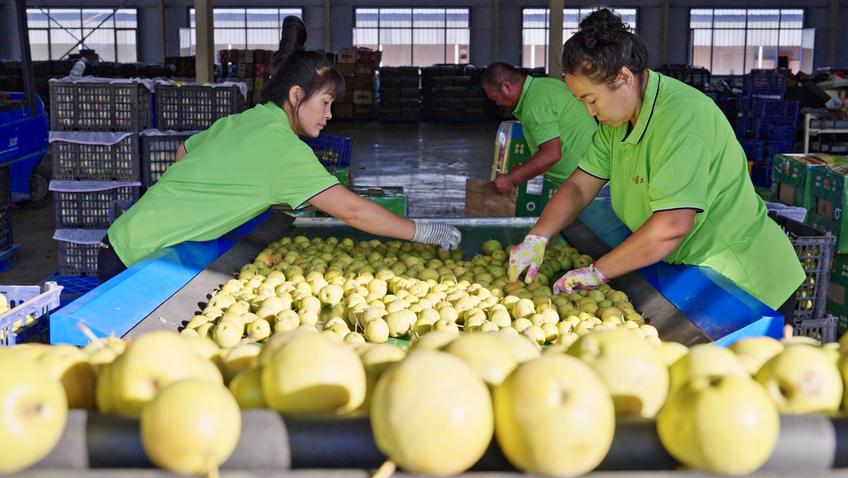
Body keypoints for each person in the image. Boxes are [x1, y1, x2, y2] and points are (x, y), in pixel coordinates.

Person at [99, 17, 460, 281]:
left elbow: (184, 153)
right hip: (136, 259)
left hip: (124, 235)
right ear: (296, 95)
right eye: (325, 103)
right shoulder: (285, 150)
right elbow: (352, 210)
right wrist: (424, 231)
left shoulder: (247, 119)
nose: (330, 115)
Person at [507, 9, 804, 319]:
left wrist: (598, 272)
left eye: (591, 100)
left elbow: (671, 226)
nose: (589, 112)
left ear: (624, 78)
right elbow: (580, 186)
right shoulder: (618, 122)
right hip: (696, 272)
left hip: (746, 281)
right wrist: (538, 236)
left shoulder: (682, 119)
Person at [482, 63, 597, 195]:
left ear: (506, 87)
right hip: (590, 174)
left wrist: (511, 179)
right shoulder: (543, 86)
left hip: (589, 184)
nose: (498, 103)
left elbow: (551, 154)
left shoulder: (534, 104)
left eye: (495, 98)